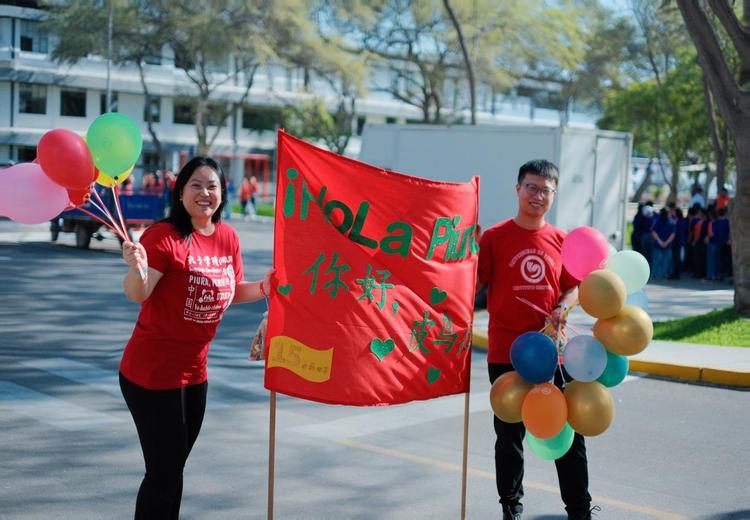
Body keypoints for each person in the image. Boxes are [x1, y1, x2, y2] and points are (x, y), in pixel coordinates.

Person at [119, 156, 272, 519]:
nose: (205, 193)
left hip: (195, 374)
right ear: (181, 191)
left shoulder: (227, 237)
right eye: (196, 185)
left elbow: (232, 291)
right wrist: (136, 268)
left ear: (223, 192)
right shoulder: (163, 236)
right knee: (163, 472)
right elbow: (138, 293)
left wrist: (267, 287)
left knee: (174, 470)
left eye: (213, 186)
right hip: (152, 375)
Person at [476, 159, 595, 520]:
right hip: (506, 351)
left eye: (545, 189)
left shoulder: (561, 240)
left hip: (552, 353)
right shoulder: (494, 238)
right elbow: (473, 284)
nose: (537, 195)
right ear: (517, 189)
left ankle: (580, 510)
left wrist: (563, 306)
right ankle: (511, 508)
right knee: (509, 437)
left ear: (554, 195)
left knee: (568, 435)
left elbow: (574, 287)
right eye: (531, 187)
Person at [650, 207, 675, 280]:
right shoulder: (672, 222)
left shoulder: (657, 221)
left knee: (656, 260)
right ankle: (663, 275)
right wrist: (666, 242)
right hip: (667, 244)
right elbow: (673, 234)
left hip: (658, 244)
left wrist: (659, 241)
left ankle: (654, 275)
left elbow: (653, 232)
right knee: (665, 261)